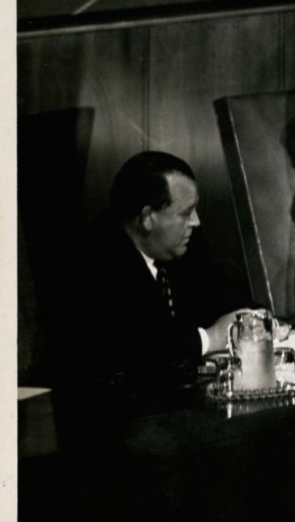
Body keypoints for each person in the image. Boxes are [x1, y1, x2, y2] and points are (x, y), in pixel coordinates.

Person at [62, 151, 247, 391]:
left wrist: (253, 318)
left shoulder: (183, 244)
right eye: (185, 213)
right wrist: (208, 339)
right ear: (147, 217)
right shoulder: (94, 261)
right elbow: (125, 349)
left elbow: (225, 297)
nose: (196, 222)